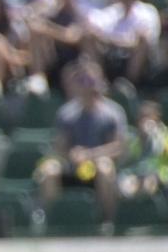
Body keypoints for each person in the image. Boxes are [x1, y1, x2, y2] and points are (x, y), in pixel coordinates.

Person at [37, 65, 127, 230]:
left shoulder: (112, 113)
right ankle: (52, 220)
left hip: (97, 169)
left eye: (91, 81)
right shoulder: (67, 113)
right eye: (82, 81)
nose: (87, 85)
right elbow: (60, 147)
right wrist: (72, 154)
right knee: (49, 170)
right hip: (73, 168)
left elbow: (118, 146)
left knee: (105, 167)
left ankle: (107, 221)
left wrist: (91, 154)